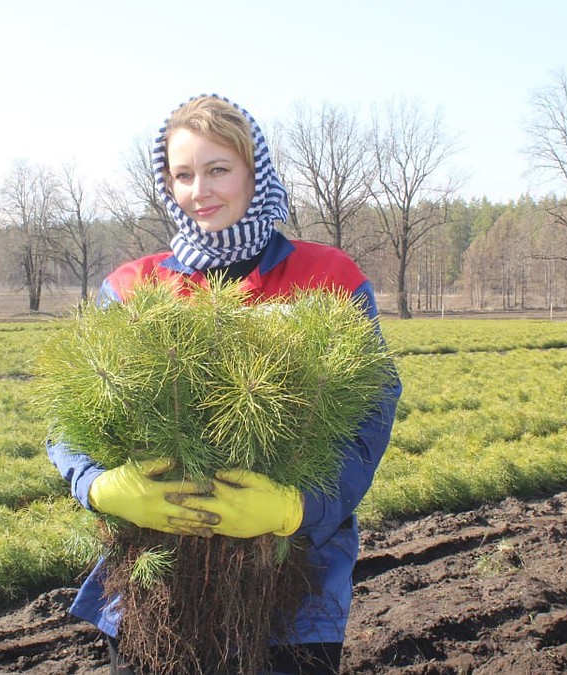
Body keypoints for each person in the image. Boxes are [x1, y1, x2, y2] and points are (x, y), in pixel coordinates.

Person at [47, 93, 401, 675]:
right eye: (183, 174)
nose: (199, 191)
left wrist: (296, 508)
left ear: (253, 172)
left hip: (294, 581)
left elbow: (371, 411)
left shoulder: (326, 278)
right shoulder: (135, 286)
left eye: (218, 170)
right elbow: (70, 416)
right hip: (154, 580)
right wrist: (99, 486)